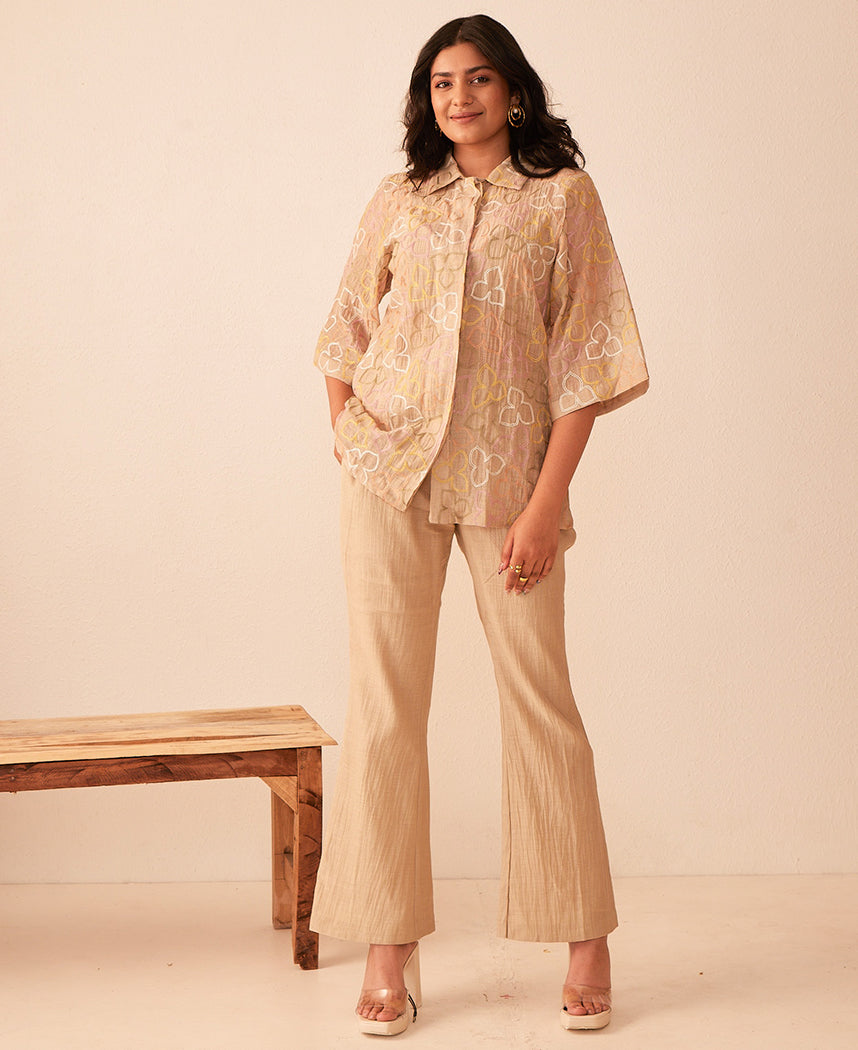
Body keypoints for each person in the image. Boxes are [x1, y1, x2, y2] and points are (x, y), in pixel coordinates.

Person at [310, 13, 648, 1036]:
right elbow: (344, 330)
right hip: (390, 482)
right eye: (442, 82)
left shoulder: (563, 199)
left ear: (514, 93)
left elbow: (588, 359)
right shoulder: (399, 198)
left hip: (510, 487)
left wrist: (545, 506)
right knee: (383, 711)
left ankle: (585, 938)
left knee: (542, 704)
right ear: (429, 98)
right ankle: (387, 947)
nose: (459, 97)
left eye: (479, 79)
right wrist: (349, 438)